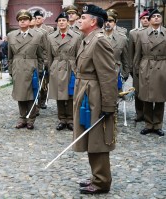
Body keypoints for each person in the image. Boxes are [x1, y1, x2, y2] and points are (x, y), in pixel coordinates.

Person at [73, 4, 118, 194]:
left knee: (98, 138)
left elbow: (108, 75)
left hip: (96, 96)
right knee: (90, 137)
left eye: (83, 18)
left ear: (93, 22)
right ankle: (96, 176)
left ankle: (101, 182)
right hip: (86, 92)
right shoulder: (87, 39)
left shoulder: (99, 40)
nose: (79, 20)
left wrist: (108, 105)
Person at [8, 9, 44, 130]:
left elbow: (40, 55)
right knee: (20, 94)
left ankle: (31, 119)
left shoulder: (38, 35)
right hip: (17, 67)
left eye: (25, 20)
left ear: (29, 21)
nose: (22, 22)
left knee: (32, 94)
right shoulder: (11, 35)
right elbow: (9, 56)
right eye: (20, 20)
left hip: (31, 67)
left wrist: (39, 70)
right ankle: (22, 117)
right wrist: (11, 70)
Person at [134, 9, 166, 136]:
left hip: (162, 66)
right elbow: (137, 53)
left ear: (161, 19)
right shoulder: (141, 34)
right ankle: (148, 124)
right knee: (146, 97)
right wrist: (136, 69)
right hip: (146, 66)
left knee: (160, 98)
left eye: (159, 16)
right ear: (150, 19)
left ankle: (157, 125)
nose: (157, 18)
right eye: (154, 16)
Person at [47, 12, 81, 131]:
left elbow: (79, 55)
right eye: (59, 20)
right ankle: (62, 119)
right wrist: (50, 68)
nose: (61, 22)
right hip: (56, 66)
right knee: (59, 94)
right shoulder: (51, 37)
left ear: (68, 22)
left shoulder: (76, 36)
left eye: (63, 20)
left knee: (71, 94)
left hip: (71, 66)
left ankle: (70, 119)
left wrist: (78, 70)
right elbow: (49, 55)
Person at [128, 10, 150, 123]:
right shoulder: (133, 33)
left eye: (147, 18)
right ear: (140, 20)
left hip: (152, 66)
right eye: (143, 18)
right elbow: (131, 52)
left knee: (150, 91)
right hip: (138, 65)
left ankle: (149, 115)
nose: (145, 20)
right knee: (138, 91)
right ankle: (139, 113)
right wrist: (131, 67)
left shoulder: (155, 32)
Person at [103, 10, 130, 87]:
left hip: (115, 73)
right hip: (99, 73)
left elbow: (125, 58)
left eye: (110, 21)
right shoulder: (96, 36)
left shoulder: (122, 38)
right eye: (105, 21)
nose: (107, 23)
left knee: (116, 97)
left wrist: (125, 74)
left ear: (115, 23)